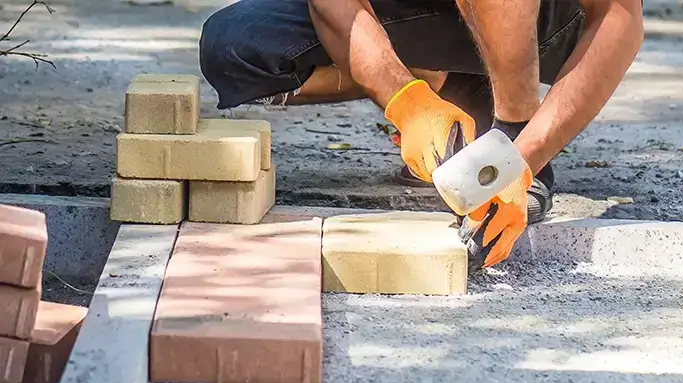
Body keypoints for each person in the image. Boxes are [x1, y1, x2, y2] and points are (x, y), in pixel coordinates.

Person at [198, 0, 644, 268]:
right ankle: (448, 83)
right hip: (426, 16)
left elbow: (619, 16)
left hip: (545, 22)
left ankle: (507, 120)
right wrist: (406, 100)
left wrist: (518, 154)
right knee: (237, 42)